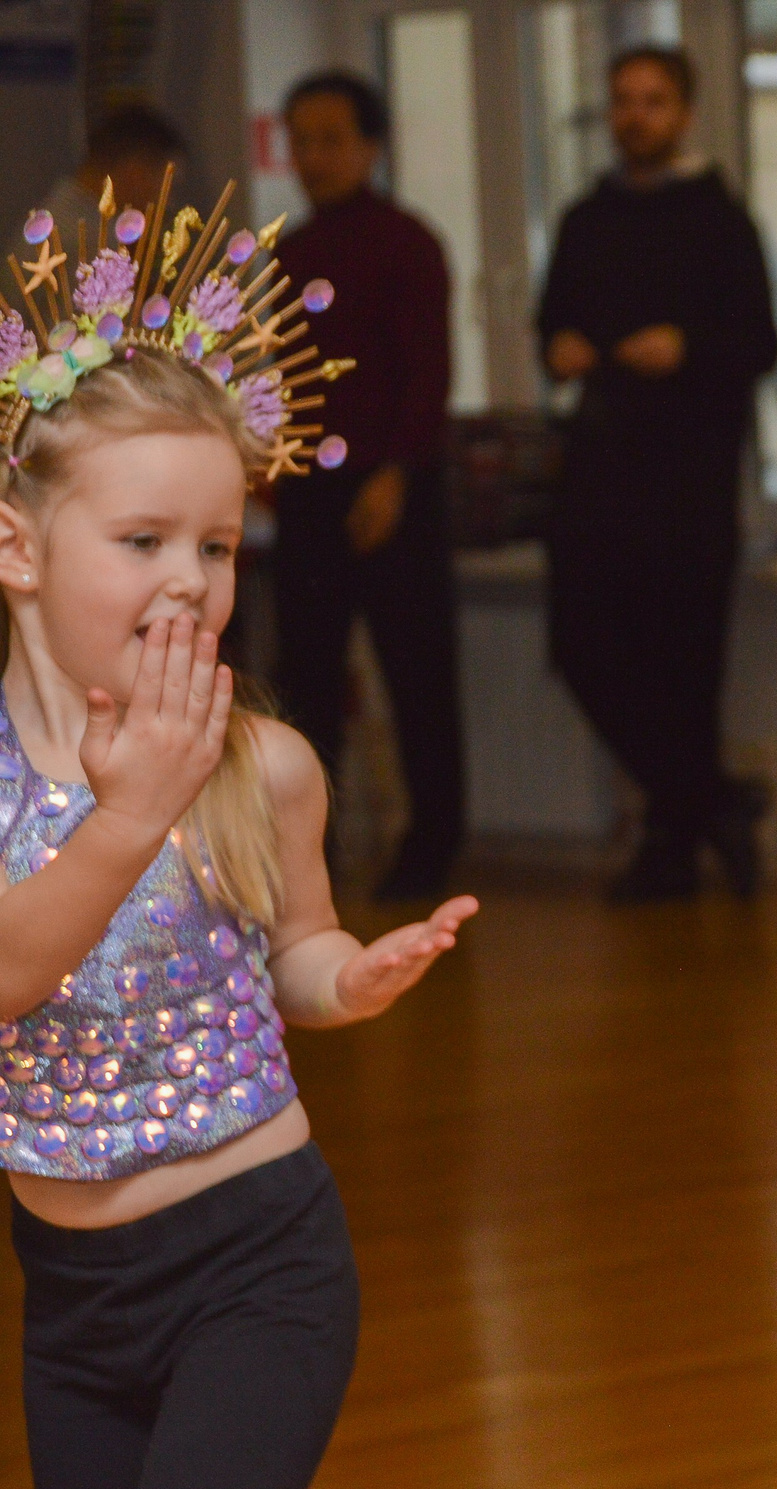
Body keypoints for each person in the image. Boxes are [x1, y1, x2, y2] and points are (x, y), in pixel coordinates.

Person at [0, 206, 475, 1489]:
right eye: (142, 540)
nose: (190, 579)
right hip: (70, 1290)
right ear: (17, 547)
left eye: (215, 544)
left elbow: (294, 956)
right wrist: (127, 814)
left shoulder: (262, 764)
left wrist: (350, 977)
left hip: (257, 1268)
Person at [537, 45, 777, 904]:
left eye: (653, 100)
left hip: (688, 481)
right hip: (599, 471)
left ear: (683, 113)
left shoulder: (720, 219)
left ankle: (672, 843)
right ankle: (717, 802)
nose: (635, 115)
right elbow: (550, 323)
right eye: (624, 100)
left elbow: (761, 344)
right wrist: (560, 348)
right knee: (582, 646)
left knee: (683, 666)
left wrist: (687, 347)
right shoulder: (585, 219)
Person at [272, 70, 468, 902]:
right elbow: (281, 375)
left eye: (331, 140)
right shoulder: (290, 252)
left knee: (417, 674)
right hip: (309, 490)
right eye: (302, 141)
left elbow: (427, 374)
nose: (314, 158)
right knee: (307, 677)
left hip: (396, 484)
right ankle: (309, 846)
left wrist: (394, 473)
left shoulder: (407, 243)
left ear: (371, 146)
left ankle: (433, 843)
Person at [38, 106, 187, 261]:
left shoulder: (56, 215)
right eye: (169, 186)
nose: (168, 203)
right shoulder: (95, 243)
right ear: (136, 173)